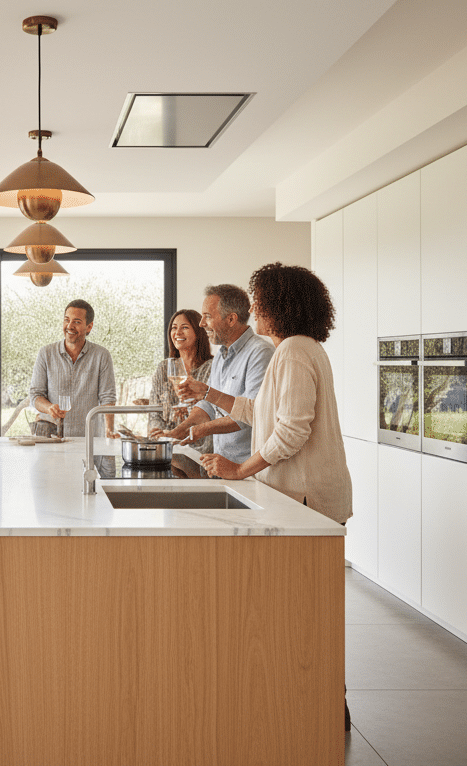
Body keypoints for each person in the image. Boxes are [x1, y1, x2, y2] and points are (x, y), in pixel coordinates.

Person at [186, 263, 354, 733]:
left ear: (279, 306)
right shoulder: (295, 350)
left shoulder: (295, 352)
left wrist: (241, 468)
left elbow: (291, 430)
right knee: (305, 605)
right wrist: (209, 394)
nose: (253, 308)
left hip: (306, 496)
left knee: (308, 607)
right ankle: (315, 697)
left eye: (259, 302)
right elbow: (259, 411)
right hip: (301, 494)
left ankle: (322, 702)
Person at [152, 284, 273, 464]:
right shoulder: (221, 357)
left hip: (248, 467)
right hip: (221, 464)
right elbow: (208, 406)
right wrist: (180, 430)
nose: (202, 324)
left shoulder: (260, 353)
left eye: (207, 317)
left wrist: (202, 428)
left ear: (231, 319)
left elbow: (253, 413)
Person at [29, 299, 118, 438]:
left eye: (77, 322)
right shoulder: (45, 353)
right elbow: (35, 395)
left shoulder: (101, 355)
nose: (69, 326)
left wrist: (109, 430)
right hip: (51, 439)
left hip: (89, 440)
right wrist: (48, 407)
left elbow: (108, 397)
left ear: (89, 327)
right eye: (66, 320)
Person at [144, 309, 213, 452]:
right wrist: (160, 434)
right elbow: (154, 411)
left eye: (185, 327)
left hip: (202, 448)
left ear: (198, 332)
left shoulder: (212, 366)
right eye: (174, 328)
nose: (178, 333)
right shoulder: (164, 367)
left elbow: (211, 411)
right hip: (168, 447)